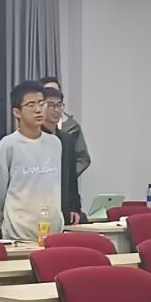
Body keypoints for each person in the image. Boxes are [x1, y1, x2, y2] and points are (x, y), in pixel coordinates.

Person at [0, 80, 64, 243]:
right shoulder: (8, 145)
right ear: (17, 112)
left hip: (53, 231)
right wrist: (9, 219)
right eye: (31, 105)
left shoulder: (55, 143)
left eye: (41, 103)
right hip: (19, 234)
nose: (38, 109)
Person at [39, 77, 90, 223]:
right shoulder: (35, 138)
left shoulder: (66, 139)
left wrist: (75, 207)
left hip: (64, 204)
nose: (56, 110)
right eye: (51, 105)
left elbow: (71, 178)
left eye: (59, 105)